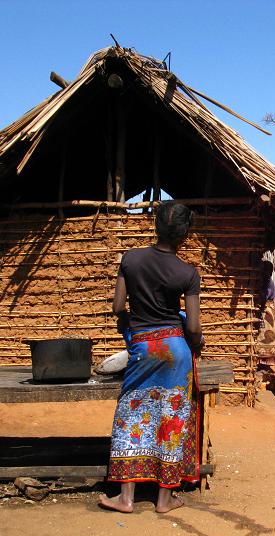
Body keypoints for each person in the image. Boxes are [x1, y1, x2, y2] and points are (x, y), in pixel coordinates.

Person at [99, 201, 203, 514]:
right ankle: (164, 499)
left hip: (143, 348)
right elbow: (193, 327)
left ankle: (126, 498)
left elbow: (118, 307)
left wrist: (133, 322)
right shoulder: (187, 273)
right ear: (185, 234)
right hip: (176, 350)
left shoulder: (131, 259)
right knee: (172, 418)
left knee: (131, 414)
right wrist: (195, 341)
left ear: (155, 226)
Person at [255, 260, 275, 367]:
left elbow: (264, 297)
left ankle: (265, 360)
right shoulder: (268, 282)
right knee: (265, 334)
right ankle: (265, 361)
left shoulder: (267, 283)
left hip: (266, 310)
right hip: (269, 310)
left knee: (265, 334)